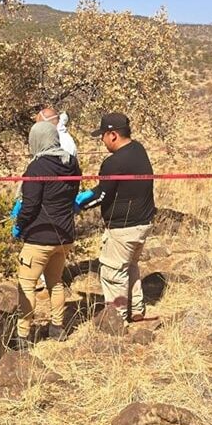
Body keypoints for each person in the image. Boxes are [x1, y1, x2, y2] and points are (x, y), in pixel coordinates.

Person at [75, 113, 156, 323]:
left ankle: (117, 320)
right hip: (143, 223)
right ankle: (136, 309)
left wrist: (78, 204)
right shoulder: (138, 149)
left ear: (112, 135)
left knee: (113, 273)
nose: (102, 141)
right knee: (130, 266)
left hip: (123, 228)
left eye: (103, 135)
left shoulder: (114, 162)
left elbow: (103, 194)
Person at [11, 121, 81, 349]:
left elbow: (30, 205)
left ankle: (22, 336)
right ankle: (57, 328)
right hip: (64, 236)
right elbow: (71, 196)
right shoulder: (72, 164)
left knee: (26, 285)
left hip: (39, 237)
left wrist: (19, 224)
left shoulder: (37, 168)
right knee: (56, 282)